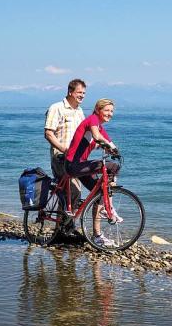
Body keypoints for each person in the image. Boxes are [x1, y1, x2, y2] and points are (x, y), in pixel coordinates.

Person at [65, 98, 121, 247]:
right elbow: (97, 137)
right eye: (107, 110)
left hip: (81, 167)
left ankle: (97, 236)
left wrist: (115, 150)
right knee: (112, 167)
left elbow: (109, 141)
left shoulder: (100, 127)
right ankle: (109, 207)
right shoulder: (92, 120)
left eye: (112, 111)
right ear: (98, 109)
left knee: (100, 194)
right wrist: (108, 147)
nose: (110, 114)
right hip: (73, 165)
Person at [44, 78, 86, 205]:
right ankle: (67, 224)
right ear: (70, 92)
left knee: (72, 194)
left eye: (84, 93)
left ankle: (64, 224)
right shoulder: (57, 108)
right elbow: (48, 134)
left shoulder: (79, 111)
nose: (82, 96)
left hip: (75, 158)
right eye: (79, 92)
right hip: (61, 158)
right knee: (73, 191)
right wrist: (65, 150)